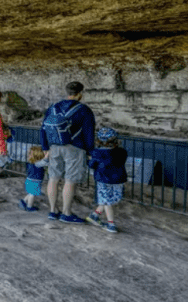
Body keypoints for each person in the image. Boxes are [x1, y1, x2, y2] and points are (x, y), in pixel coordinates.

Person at [40, 81, 96, 223]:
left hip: (54, 147)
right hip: (75, 148)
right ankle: (66, 213)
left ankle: (53, 211)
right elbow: (89, 133)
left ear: (67, 92)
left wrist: (45, 147)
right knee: (70, 180)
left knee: (53, 178)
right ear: (80, 93)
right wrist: (90, 151)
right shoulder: (84, 110)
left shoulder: (53, 107)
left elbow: (43, 128)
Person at [86, 127, 127, 233]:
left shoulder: (97, 153)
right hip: (118, 179)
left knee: (106, 201)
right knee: (110, 199)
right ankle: (95, 216)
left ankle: (110, 224)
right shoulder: (122, 152)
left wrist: (88, 160)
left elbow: (92, 165)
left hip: (103, 179)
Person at [19, 145, 48, 212]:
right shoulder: (38, 163)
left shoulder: (30, 162)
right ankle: (29, 207)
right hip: (35, 181)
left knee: (30, 193)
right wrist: (48, 154)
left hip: (29, 180)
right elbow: (45, 161)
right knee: (32, 194)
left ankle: (23, 201)